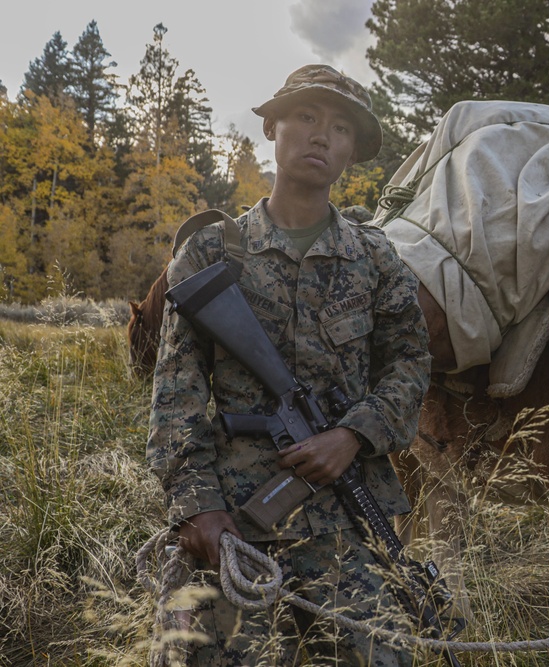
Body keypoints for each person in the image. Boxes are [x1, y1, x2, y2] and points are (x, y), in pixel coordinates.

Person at [146, 64, 431, 665]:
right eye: (306, 117)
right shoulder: (212, 253)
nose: (322, 136)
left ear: (353, 150)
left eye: (341, 128)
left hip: (348, 528)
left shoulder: (377, 258)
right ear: (272, 127)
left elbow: (409, 363)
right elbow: (175, 393)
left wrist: (352, 435)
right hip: (234, 523)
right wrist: (198, 506)